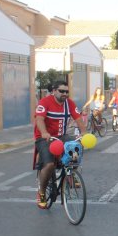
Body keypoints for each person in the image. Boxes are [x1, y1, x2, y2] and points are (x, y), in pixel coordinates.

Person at [34, 81, 87, 209]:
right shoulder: (44, 102)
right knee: (50, 165)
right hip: (45, 137)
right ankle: (41, 192)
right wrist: (44, 132)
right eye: (61, 91)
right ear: (54, 91)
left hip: (61, 136)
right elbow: (39, 119)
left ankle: (71, 174)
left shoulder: (69, 104)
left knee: (75, 149)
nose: (65, 94)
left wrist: (84, 132)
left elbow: (78, 118)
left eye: (66, 91)